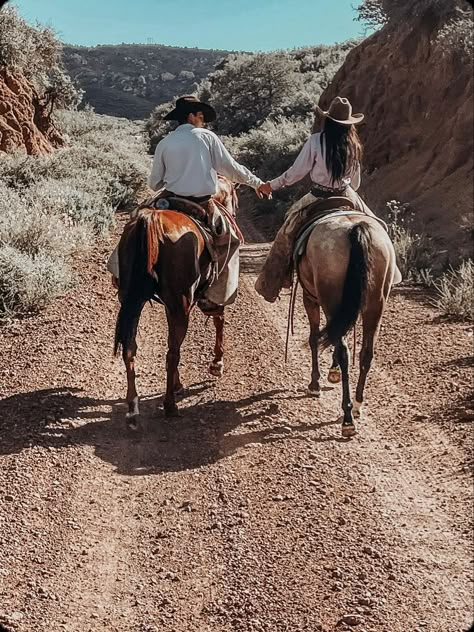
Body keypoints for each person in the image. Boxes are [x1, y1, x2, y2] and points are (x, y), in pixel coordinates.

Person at [108, 95, 267, 291]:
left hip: (170, 200)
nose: (203, 121)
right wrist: (257, 183)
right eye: (201, 116)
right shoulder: (207, 137)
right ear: (191, 116)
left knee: (135, 221)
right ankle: (218, 296)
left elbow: (154, 183)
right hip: (202, 203)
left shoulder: (165, 143)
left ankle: (119, 273)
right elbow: (230, 168)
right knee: (231, 239)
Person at [255, 96, 380, 303]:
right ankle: (390, 272)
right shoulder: (354, 144)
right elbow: (355, 183)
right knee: (377, 225)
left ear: (328, 120)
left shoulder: (316, 141)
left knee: (287, 230)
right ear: (349, 123)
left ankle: (274, 282)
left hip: (319, 195)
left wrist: (272, 185)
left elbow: (295, 173)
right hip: (348, 194)